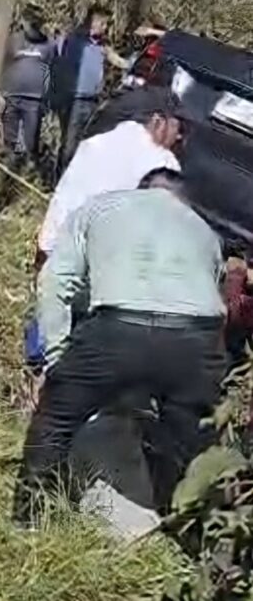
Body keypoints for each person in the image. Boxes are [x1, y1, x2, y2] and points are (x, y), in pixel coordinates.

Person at [14, 168, 227, 526]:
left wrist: (55, 364)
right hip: (195, 340)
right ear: (184, 201)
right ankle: (188, 529)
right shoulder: (206, 232)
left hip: (118, 328)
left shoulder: (100, 206)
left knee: (54, 421)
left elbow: (55, 283)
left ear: (140, 189)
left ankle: (29, 522)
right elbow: (217, 309)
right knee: (191, 443)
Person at [37, 87, 183, 263]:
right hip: (91, 268)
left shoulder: (97, 140)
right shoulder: (163, 163)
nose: (179, 137)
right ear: (158, 122)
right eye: (178, 127)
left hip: (49, 254)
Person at [51, 5, 134, 175]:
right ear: (92, 22)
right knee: (69, 145)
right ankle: (60, 179)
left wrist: (136, 64)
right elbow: (56, 62)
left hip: (92, 101)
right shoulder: (72, 41)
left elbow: (119, 62)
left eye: (107, 24)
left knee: (86, 144)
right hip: (73, 100)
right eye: (103, 24)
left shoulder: (103, 46)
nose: (106, 28)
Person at [0, 5, 56, 171]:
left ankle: (30, 172)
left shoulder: (49, 45)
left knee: (31, 143)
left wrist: (48, 98)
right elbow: (2, 65)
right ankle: (8, 173)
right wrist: (1, 91)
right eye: (30, 23)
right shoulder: (12, 41)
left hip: (34, 100)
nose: (33, 26)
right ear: (23, 21)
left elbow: (52, 72)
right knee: (10, 141)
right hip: (11, 97)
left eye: (36, 23)